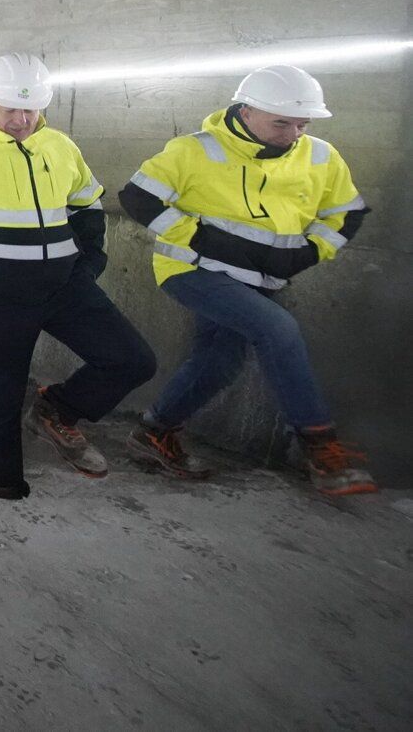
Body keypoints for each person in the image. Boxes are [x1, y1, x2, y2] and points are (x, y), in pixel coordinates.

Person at [118, 65, 376, 496]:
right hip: (193, 269)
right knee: (277, 327)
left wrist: (310, 252)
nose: (293, 133)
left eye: (302, 124)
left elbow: (347, 213)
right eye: (282, 123)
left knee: (219, 363)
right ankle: (319, 448)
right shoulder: (195, 150)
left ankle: (154, 431)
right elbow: (138, 197)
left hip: (262, 279)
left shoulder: (320, 156)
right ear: (245, 110)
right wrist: (197, 237)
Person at [0, 53, 157, 499]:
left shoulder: (60, 147)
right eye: (11, 110)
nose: (22, 120)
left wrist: (89, 265)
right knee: (0, 396)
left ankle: (55, 411)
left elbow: (87, 205)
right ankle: (4, 486)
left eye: (31, 109)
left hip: (64, 287)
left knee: (132, 359)